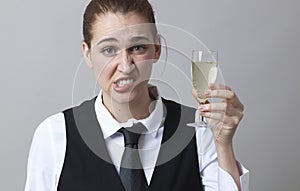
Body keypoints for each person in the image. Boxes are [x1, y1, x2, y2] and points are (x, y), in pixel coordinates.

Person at [25, 0, 249, 190]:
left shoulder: (198, 131)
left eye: (138, 48)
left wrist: (224, 144)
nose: (125, 65)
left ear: (157, 49)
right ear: (88, 54)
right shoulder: (54, 135)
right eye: (109, 50)